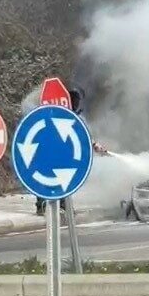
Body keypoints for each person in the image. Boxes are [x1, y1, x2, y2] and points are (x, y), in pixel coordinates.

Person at [35, 86, 108, 216]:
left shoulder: (68, 114)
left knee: (59, 177)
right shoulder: (63, 114)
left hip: (60, 152)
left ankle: (59, 204)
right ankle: (45, 203)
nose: (77, 103)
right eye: (75, 100)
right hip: (52, 150)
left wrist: (94, 144)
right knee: (51, 177)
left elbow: (80, 133)